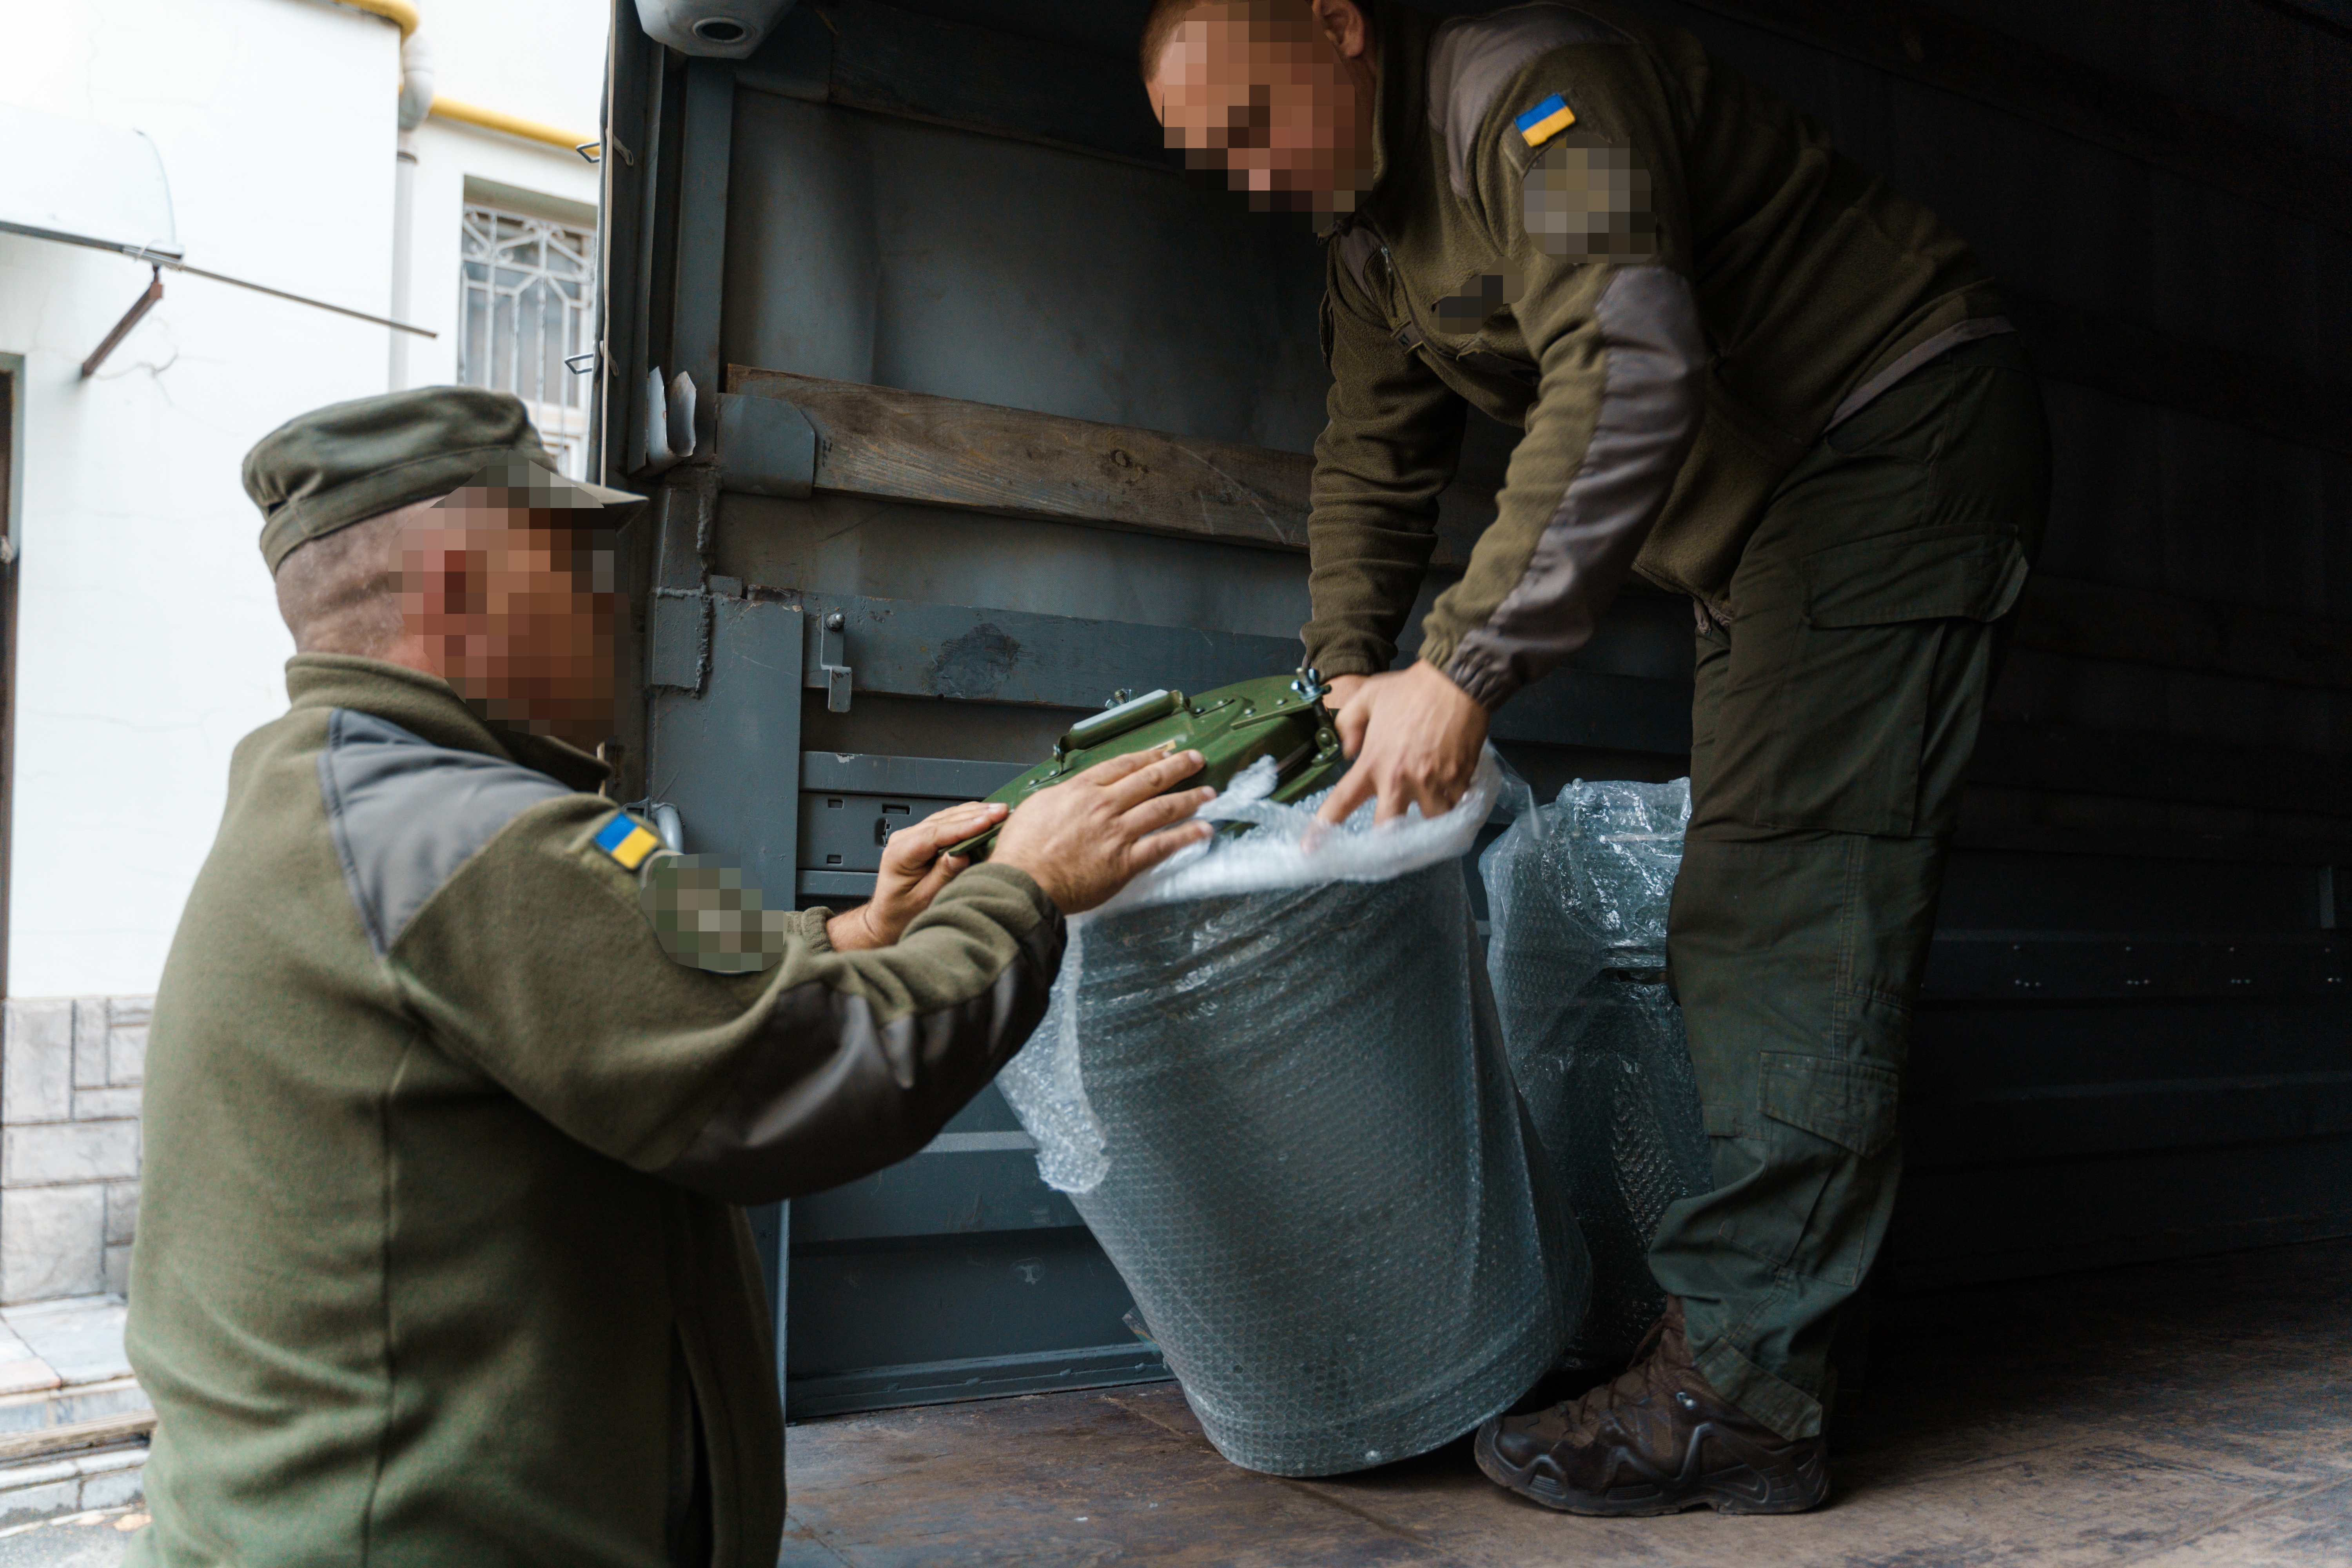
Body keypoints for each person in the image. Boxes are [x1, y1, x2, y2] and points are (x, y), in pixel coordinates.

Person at [1144, 0, 2050, 1516]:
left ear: (1336, 27)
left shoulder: (1532, 104)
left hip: (1887, 433)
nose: (1247, 173)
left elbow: (1632, 360)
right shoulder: (1371, 249)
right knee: (1759, 900)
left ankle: (1752, 1398)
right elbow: (1375, 455)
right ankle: (1773, 1345)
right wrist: (1343, 675)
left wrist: (1468, 665)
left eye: (1250, 123)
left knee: (1778, 904)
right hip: (1769, 516)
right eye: (1209, 159)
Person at [123, 387, 1215, 1566]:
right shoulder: (464, 838)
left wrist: (851, 933)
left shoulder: (426, 801)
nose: (611, 604)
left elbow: (677, 945)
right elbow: (819, 1069)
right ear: (462, 586)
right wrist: (1032, 887)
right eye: (570, 562)